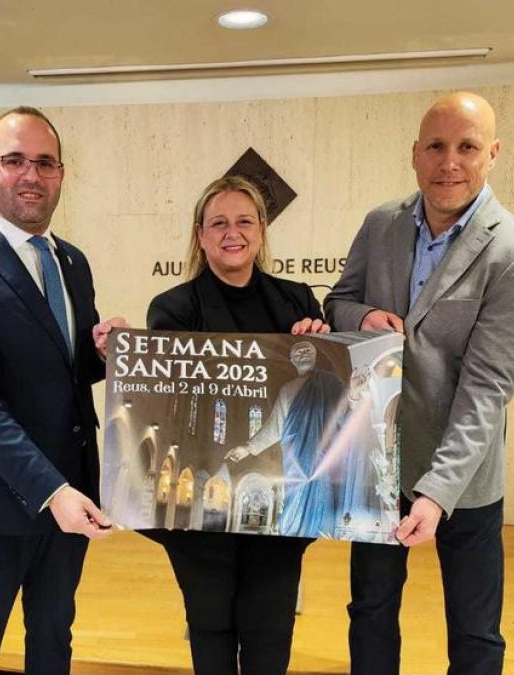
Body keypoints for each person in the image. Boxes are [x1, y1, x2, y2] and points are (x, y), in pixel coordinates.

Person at [324, 91, 514, 675]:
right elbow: (339, 301)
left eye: (467, 147)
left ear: (492, 154)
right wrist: (362, 318)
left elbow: (488, 391)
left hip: (464, 480)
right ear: (415, 155)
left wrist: (437, 491)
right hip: (378, 461)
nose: (450, 162)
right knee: (370, 608)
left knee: (474, 631)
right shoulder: (381, 224)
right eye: (437, 146)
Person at [0, 107, 125, 674]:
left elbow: (66, 368)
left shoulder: (73, 262)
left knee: (54, 640)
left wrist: (105, 353)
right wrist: (50, 490)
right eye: (14, 161)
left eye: (44, 162)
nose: (30, 175)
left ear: (61, 174)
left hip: (72, 498)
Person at [145, 175, 330, 675]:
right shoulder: (173, 309)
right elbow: (166, 406)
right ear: (201, 235)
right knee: (210, 627)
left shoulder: (298, 303)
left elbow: (323, 392)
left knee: (271, 630)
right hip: (203, 499)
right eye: (219, 222)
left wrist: (322, 346)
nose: (233, 232)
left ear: (262, 230)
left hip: (281, 497)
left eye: (244, 220)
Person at [225, 340, 348, 538]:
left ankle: (322, 534)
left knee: (322, 493)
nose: (302, 354)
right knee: (295, 497)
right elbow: (275, 427)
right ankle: (292, 532)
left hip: (322, 453)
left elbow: (344, 414)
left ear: (315, 355)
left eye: (307, 350)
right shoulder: (287, 389)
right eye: (297, 352)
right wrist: (247, 448)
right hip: (295, 455)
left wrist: (356, 394)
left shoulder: (330, 384)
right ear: (291, 360)